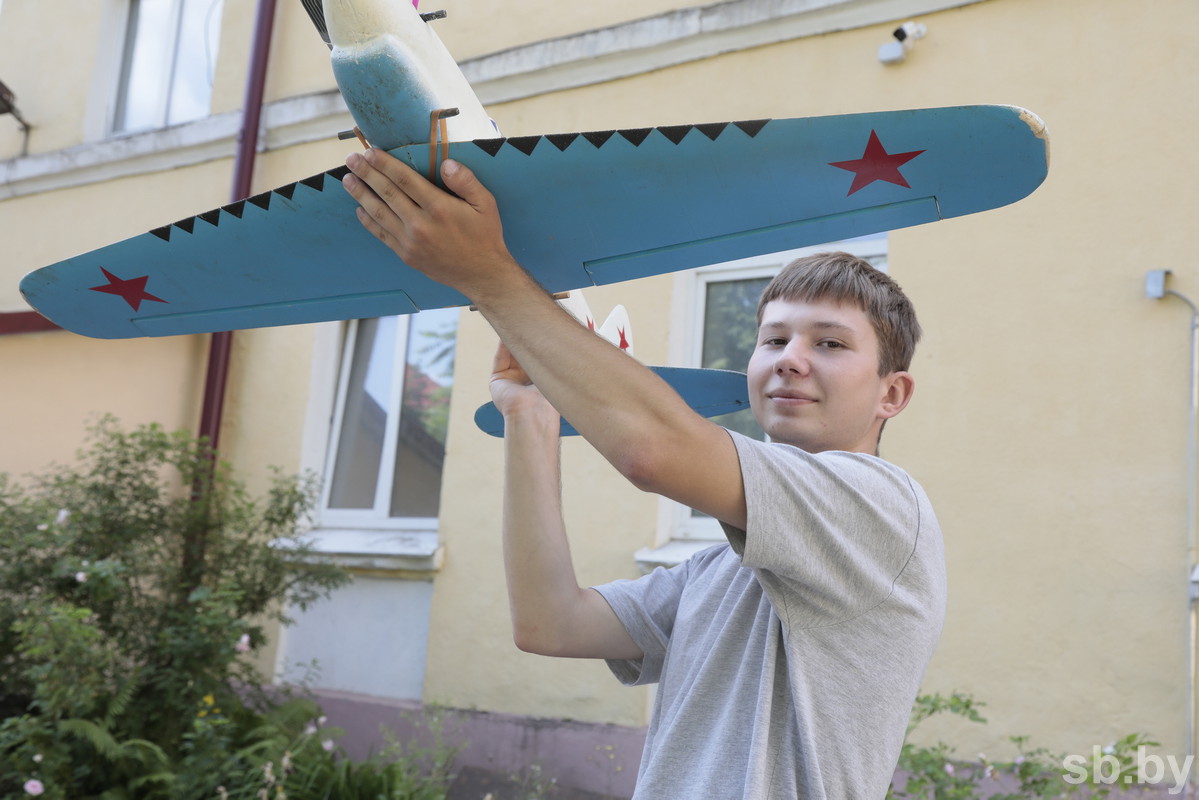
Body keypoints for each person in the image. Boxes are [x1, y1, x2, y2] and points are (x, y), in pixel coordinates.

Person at [341, 148, 947, 799]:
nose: (789, 360)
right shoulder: (719, 571)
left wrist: (487, 276)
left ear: (891, 395)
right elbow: (550, 622)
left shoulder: (883, 511)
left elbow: (653, 452)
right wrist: (531, 416)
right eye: (773, 340)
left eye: (828, 343)